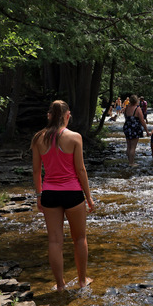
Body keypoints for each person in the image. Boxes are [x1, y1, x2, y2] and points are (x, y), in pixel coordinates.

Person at [31, 100, 95, 291]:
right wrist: (89, 197)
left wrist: (39, 195)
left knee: (54, 241)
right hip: (73, 193)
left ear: (49, 115)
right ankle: (82, 281)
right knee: (80, 238)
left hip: (50, 193)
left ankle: (60, 285)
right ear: (67, 116)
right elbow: (81, 170)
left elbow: (36, 171)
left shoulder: (38, 138)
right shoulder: (75, 137)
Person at [122, 95, 150, 166]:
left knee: (128, 146)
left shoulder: (126, 108)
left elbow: (126, 116)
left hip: (127, 127)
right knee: (133, 147)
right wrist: (147, 131)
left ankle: (129, 162)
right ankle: (131, 163)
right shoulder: (137, 109)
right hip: (135, 128)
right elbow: (142, 121)